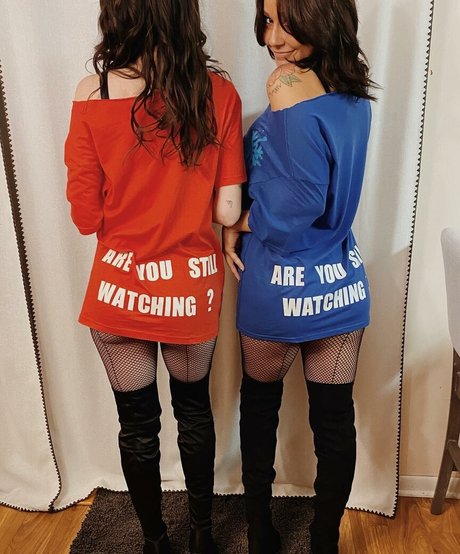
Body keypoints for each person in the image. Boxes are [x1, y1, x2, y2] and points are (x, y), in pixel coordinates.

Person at [65, 1, 245, 553]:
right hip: (188, 289)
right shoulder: (218, 93)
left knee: (136, 426)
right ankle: (202, 535)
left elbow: (85, 217)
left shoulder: (91, 94)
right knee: (194, 412)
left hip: (118, 291)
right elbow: (227, 209)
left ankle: (154, 541)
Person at [223, 0, 376, 552]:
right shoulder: (354, 96)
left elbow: (295, 205)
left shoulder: (286, 86)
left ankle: (260, 533)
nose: (274, 37)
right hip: (340, 281)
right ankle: (323, 540)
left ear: (323, 15)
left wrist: (238, 222)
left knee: (260, 408)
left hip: (279, 281)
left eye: (288, 19)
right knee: (334, 422)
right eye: (267, 20)